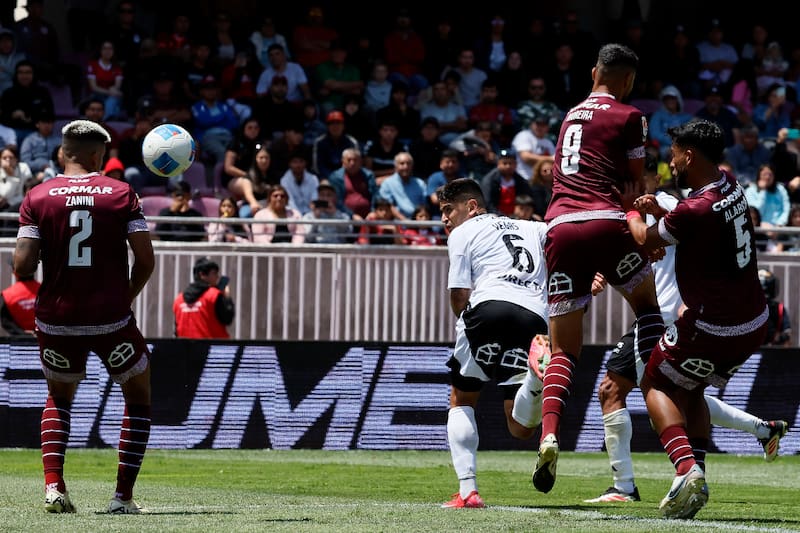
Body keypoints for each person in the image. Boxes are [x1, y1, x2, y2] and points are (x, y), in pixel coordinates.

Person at [586, 154, 789, 504]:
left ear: (652, 178)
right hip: (661, 316)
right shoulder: (634, 209)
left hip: (667, 316)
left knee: (617, 390)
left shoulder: (667, 203)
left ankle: (626, 486)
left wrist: (643, 213)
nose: (630, 186)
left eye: (637, 178)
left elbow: (658, 235)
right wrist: (602, 268)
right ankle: (761, 430)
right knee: (684, 393)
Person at [533, 43, 664, 495]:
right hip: (607, 221)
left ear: (593, 73)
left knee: (564, 350)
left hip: (560, 228)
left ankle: (549, 432)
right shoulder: (630, 116)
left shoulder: (569, 114)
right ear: (627, 81)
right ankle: (658, 385)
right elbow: (631, 182)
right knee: (647, 307)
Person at [622, 119, 769, 519]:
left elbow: (645, 240)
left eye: (673, 155)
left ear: (689, 154)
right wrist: (658, 209)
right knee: (694, 387)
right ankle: (696, 472)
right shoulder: (730, 185)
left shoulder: (695, 208)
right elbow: (690, 225)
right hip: (753, 321)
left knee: (654, 379)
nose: (670, 162)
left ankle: (686, 470)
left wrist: (630, 209)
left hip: (714, 324)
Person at [14, 119, 155, 513]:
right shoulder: (121, 193)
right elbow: (145, 260)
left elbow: (23, 266)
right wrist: (122, 298)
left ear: (62, 153)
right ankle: (122, 498)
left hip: (56, 318)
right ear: (100, 156)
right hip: (111, 317)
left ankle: (54, 487)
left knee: (59, 397)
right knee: (139, 397)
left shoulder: (37, 197)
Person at [439, 178, 548, 508]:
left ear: (472, 207)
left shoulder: (463, 233)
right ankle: (532, 379)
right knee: (520, 429)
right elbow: (567, 250)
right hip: (535, 316)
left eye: (448, 210)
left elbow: (459, 294)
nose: (444, 219)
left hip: (489, 307)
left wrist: (466, 323)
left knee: (461, 397)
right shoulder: (535, 228)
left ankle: (468, 491)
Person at [173, 257, 234, 339]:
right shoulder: (213, 296)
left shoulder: (178, 300)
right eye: (214, 273)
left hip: (185, 350)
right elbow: (228, 318)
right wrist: (227, 298)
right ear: (202, 275)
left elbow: (177, 332)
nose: (217, 277)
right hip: (212, 349)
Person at [480, 148, 534, 217]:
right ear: (498, 164)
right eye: (505, 163)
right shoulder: (489, 181)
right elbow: (487, 203)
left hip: (517, 217)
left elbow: (527, 200)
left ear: (516, 165)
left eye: (511, 163)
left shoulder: (521, 181)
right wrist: (502, 216)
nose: (508, 166)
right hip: (496, 217)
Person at [0, 263, 40, 335]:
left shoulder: (6, 296)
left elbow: (6, 322)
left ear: (14, 272)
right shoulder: (44, 291)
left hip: (18, 342)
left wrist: (22, 333)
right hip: (43, 340)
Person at [759, 268, 792, 347]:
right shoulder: (747, 308)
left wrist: (778, 337)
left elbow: (787, 334)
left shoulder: (779, 308)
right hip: (750, 351)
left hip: (773, 349)